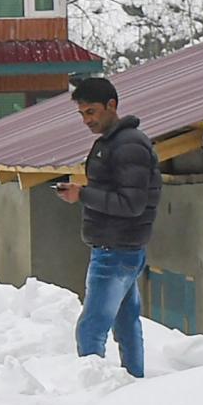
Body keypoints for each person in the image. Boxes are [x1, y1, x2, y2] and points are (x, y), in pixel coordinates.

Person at [55, 77, 161, 378]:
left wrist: (82, 194)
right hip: (121, 247)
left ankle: (94, 402)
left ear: (111, 105)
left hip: (116, 251)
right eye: (82, 114)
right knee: (126, 324)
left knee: (91, 328)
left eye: (91, 112)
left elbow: (132, 204)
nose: (87, 120)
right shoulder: (115, 142)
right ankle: (135, 385)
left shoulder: (128, 145)